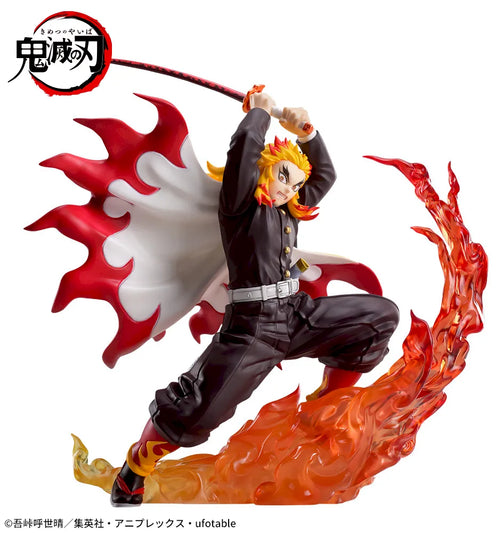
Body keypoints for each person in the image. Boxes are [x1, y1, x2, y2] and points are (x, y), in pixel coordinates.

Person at [110, 93, 400, 506]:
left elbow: (325, 175)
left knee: (378, 317)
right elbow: (244, 151)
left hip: (297, 315)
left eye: (296, 185)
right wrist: (259, 112)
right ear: (263, 170)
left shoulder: (289, 211)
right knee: (199, 406)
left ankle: (325, 410)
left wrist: (307, 133)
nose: (290, 190)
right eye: (284, 177)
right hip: (252, 329)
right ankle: (134, 470)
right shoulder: (240, 206)